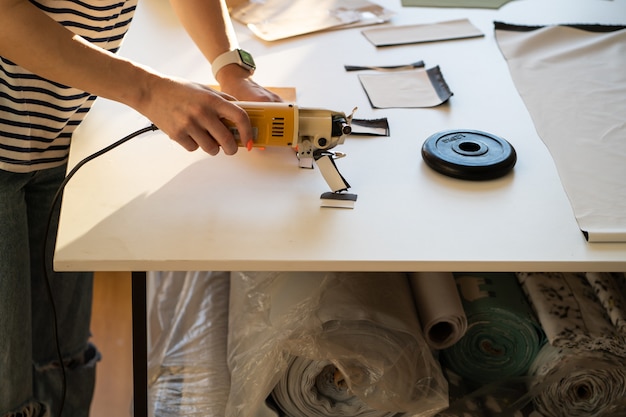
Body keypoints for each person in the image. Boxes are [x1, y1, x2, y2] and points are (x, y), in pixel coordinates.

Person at [0, 0, 281, 416]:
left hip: (59, 138)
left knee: (63, 357)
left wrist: (231, 70)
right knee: (9, 386)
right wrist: (149, 91)